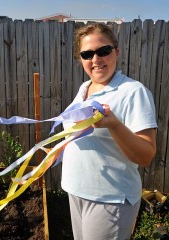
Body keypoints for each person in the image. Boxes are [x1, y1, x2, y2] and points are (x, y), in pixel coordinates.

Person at [61, 23, 157, 240]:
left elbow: (146, 155)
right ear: (80, 59)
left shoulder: (133, 92)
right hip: (76, 190)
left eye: (103, 51)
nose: (96, 59)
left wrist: (114, 125)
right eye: (87, 54)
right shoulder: (84, 89)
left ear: (116, 51)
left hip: (109, 199)